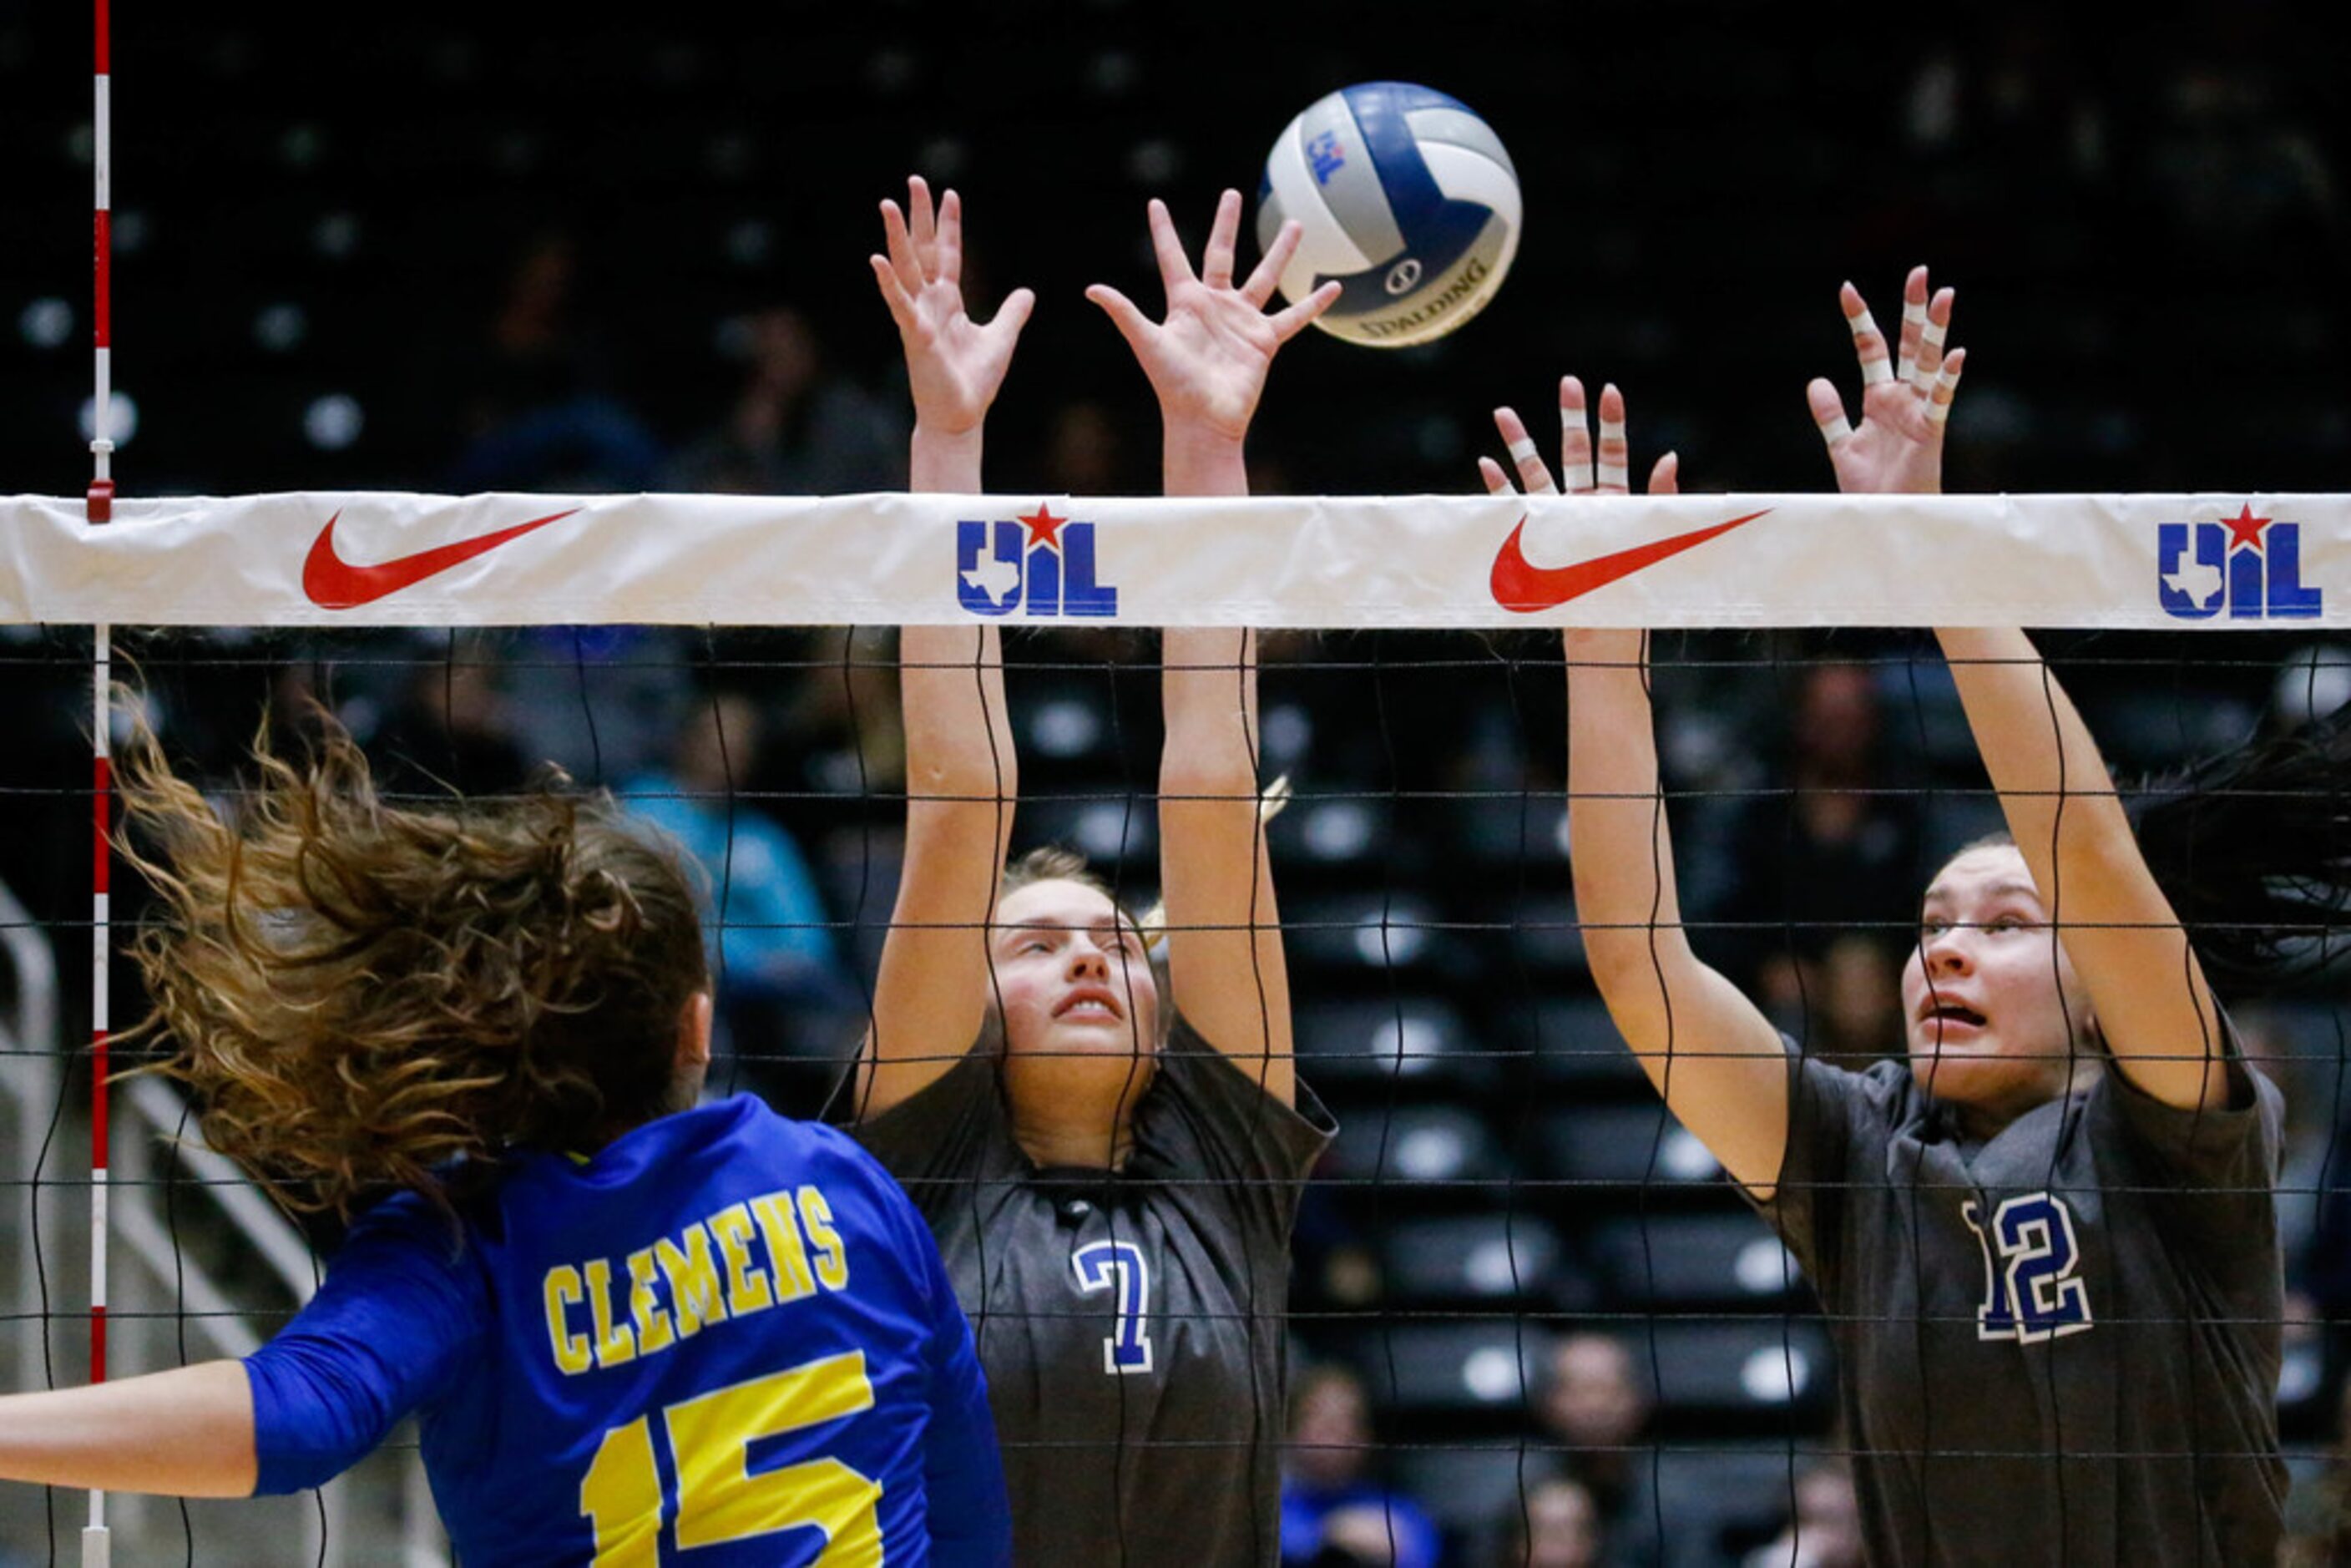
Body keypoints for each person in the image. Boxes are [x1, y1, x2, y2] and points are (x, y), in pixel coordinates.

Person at [1479, 269, 2301, 1563]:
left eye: (2007, 923)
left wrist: (1935, 551)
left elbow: (2084, 845)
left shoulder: (2172, 1133)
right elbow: (1638, 961)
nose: (1948, 947)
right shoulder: (1862, 1153)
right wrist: (1602, 644)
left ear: (2096, 977)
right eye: (1931, 924)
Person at [0, 712, 1009, 1565]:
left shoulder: (454, 1242)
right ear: (697, 1027)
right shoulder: (841, 1183)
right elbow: (968, 1526)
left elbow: (293, 1418)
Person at [847, 175, 1340, 1565]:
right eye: (1037, 942)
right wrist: (950, 442)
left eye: (1118, 942)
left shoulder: (1226, 1160)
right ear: (968, 1001)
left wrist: (1206, 438)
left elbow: (1211, 779)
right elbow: (961, 794)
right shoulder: (923, 1166)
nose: (1089, 955)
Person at [1279, 1363, 1441, 1568]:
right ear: (1289, 1432)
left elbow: (1421, 1553)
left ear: (1366, 1436)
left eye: (1345, 1422)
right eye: (1320, 1421)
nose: (1334, 1436)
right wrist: (1334, 1532)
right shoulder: (1270, 1509)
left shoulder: (1398, 1511)